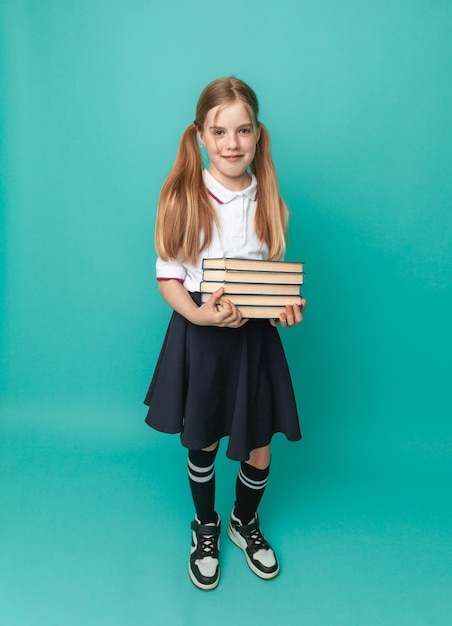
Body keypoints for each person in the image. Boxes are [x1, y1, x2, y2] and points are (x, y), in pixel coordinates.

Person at [144, 77, 306, 591]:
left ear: (258, 135)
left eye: (243, 131)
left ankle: (243, 522)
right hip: (201, 337)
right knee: (205, 439)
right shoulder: (184, 197)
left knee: (259, 446)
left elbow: (270, 278)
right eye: (220, 132)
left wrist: (286, 309)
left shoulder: (270, 201)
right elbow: (169, 275)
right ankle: (205, 526)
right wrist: (197, 316)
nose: (232, 143)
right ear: (201, 136)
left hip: (254, 342)